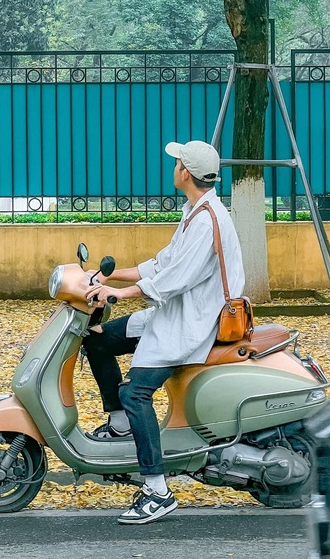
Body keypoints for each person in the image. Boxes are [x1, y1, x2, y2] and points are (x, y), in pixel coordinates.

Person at [84, 139, 245, 525]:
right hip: (173, 313)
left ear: (185, 173)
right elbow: (162, 263)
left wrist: (119, 293)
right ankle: (121, 425)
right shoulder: (195, 211)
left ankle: (157, 490)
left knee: (135, 392)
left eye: (177, 164)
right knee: (99, 340)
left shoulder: (208, 220)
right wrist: (107, 274)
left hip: (193, 323)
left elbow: (173, 280)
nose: (173, 168)